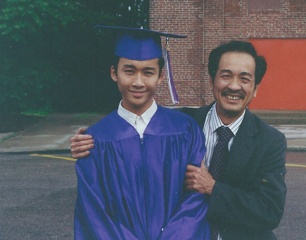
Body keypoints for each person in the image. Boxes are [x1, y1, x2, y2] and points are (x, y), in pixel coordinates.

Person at [71, 40, 287, 240]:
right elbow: (139, 122)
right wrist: (96, 135)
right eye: (226, 75)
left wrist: (213, 188)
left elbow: (269, 212)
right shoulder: (182, 126)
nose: (234, 86)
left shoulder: (270, 141)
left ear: (256, 88)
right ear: (212, 80)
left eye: (245, 79)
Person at [73, 26, 209, 240]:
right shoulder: (94, 140)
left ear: (161, 76)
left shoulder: (186, 129)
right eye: (129, 71)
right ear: (113, 73)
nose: (138, 82)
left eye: (148, 72)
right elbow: (93, 214)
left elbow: (195, 199)